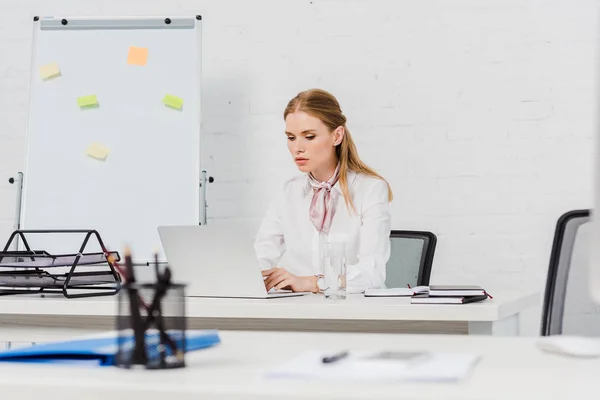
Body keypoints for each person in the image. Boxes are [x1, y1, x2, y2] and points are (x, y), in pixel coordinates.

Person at [254, 89, 393, 294]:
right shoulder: (288, 191)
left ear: (337, 135)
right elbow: (262, 255)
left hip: (352, 311)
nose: (297, 148)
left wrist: (312, 283)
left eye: (309, 136)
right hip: (297, 309)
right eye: (291, 138)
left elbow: (372, 274)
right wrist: (250, 277)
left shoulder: (370, 189)